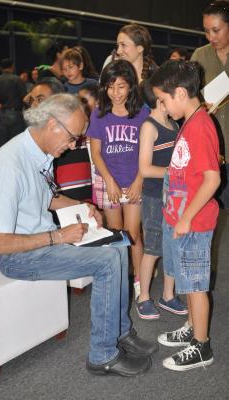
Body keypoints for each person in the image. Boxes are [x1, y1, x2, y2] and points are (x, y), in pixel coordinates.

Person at [0, 93, 158, 377]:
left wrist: (82, 205)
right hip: (15, 257)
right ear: (52, 125)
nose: (75, 144)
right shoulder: (9, 166)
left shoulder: (40, 152)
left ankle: (121, 333)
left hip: (41, 240)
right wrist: (59, 237)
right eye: (73, 136)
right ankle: (102, 355)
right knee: (106, 261)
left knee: (120, 245)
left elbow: (47, 199)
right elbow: (0, 243)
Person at [149, 60, 221, 371]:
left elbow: (212, 178)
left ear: (179, 93)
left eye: (163, 101)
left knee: (195, 286)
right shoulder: (190, 123)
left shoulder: (201, 126)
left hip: (194, 223)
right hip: (181, 221)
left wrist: (187, 217)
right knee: (188, 283)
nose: (162, 107)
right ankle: (192, 328)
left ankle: (202, 346)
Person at [87, 59, 150, 299]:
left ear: (131, 86)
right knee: (116, 233)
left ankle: (139, 282)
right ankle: (119, 277)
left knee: (133, 234)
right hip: (107, 180)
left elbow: (148, 153)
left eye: (121, 86)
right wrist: (110, 180)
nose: (115, 92)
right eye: (111, 86)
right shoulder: (99, 114)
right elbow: (96, 154)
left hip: (134, 180)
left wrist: (138, 182)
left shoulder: (142, 114)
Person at [137, 81, 187, 319]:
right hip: (155, 197)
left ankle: (168, 295)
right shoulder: (149, 126)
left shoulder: (175, 124)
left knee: (172, 247)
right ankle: (143, 297)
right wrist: (174, 172)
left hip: (175, 196)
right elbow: (145, 169)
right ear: (159, 99)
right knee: (153, 248)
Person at [191, 0, 229, 209]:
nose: (211, 37)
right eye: (206, 31)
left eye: (216, 30)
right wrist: (199, 105)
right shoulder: (200, 55)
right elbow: (189, 96)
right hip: (211, 148)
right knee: (212, 209)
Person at [0, 58, 27, 148]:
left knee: (3, 142)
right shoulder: (17, 79)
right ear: (12, 67)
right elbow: (25, 97)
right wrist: (33, 105)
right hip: (15, 113)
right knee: (16, 141)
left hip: (1, 113)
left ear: (1, 68)